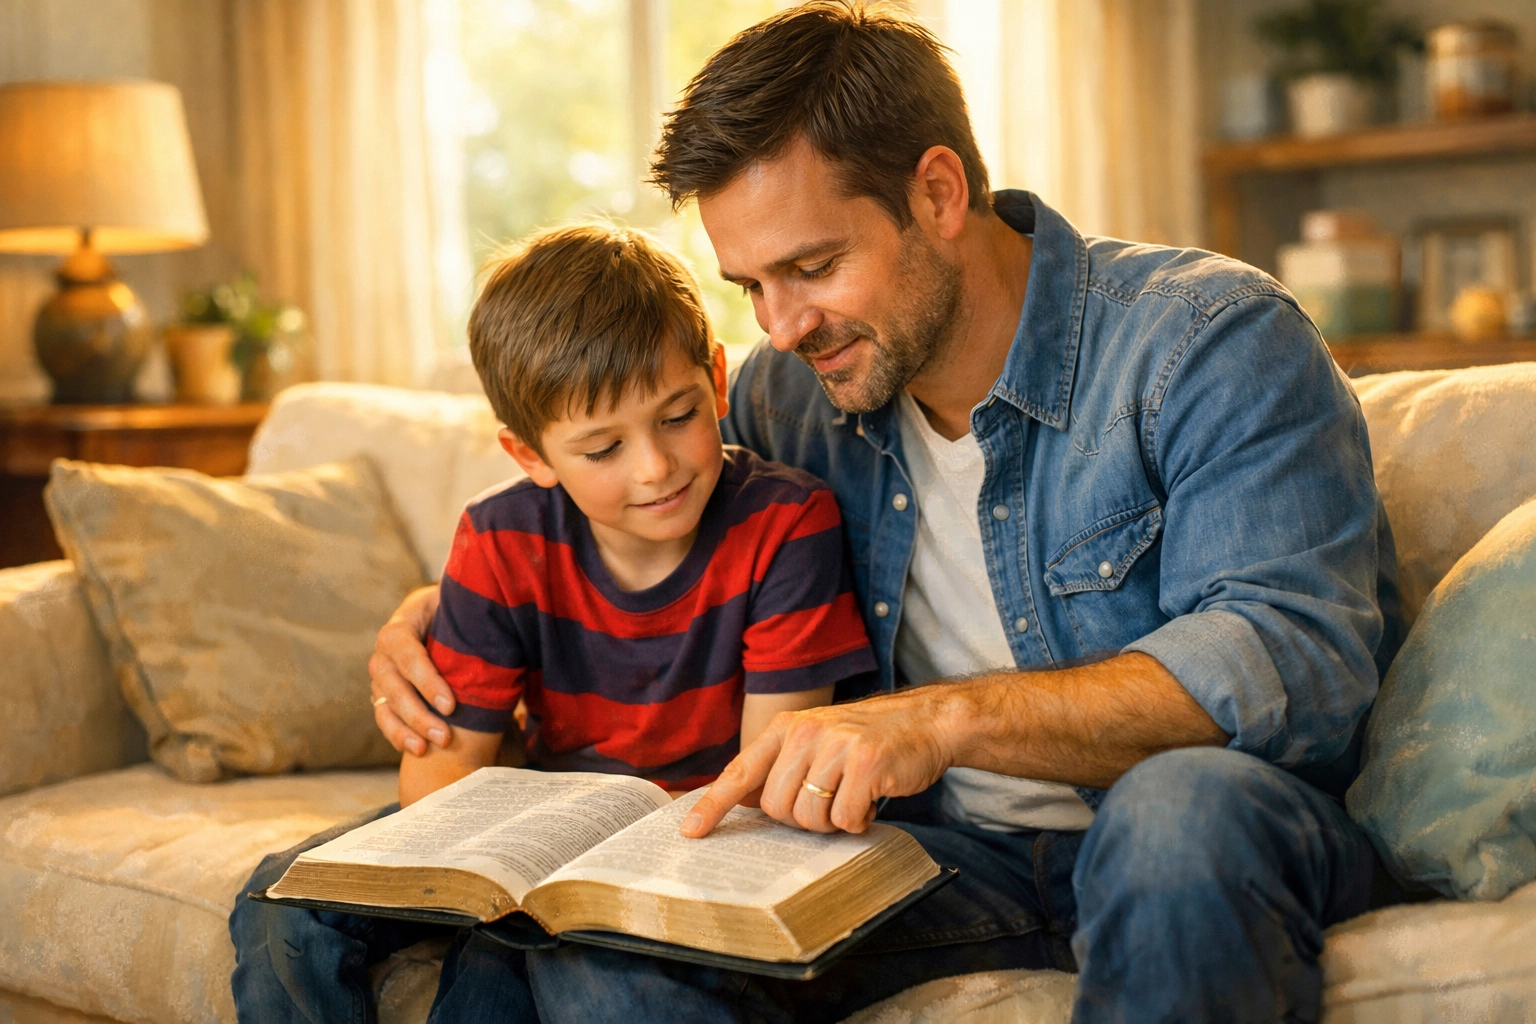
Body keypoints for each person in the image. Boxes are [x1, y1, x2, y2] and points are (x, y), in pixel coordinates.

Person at [369, 5, 1407, 1023]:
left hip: (1218, 831)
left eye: (814, 267)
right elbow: (639, 514)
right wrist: (444, 608)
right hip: (944, 855)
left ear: (940, 191)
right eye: (753, 287)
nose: (783, 324)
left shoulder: (1205, 342)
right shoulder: (793, 395)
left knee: (1178, 812)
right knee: (619, 949)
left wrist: (942, 720)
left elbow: (1297, 656)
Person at [228, 223, 876, 1023]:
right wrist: (487, 878)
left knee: (505, 980)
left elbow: (764, 782)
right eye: (601, 448)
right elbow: (440, 784)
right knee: (278, 898)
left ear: (715, 379)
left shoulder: (787, 525)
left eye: (677, 417)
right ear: (530, 453)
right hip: (537, 834)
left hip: (701, 845)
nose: (655, 467)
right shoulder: (499, 537)